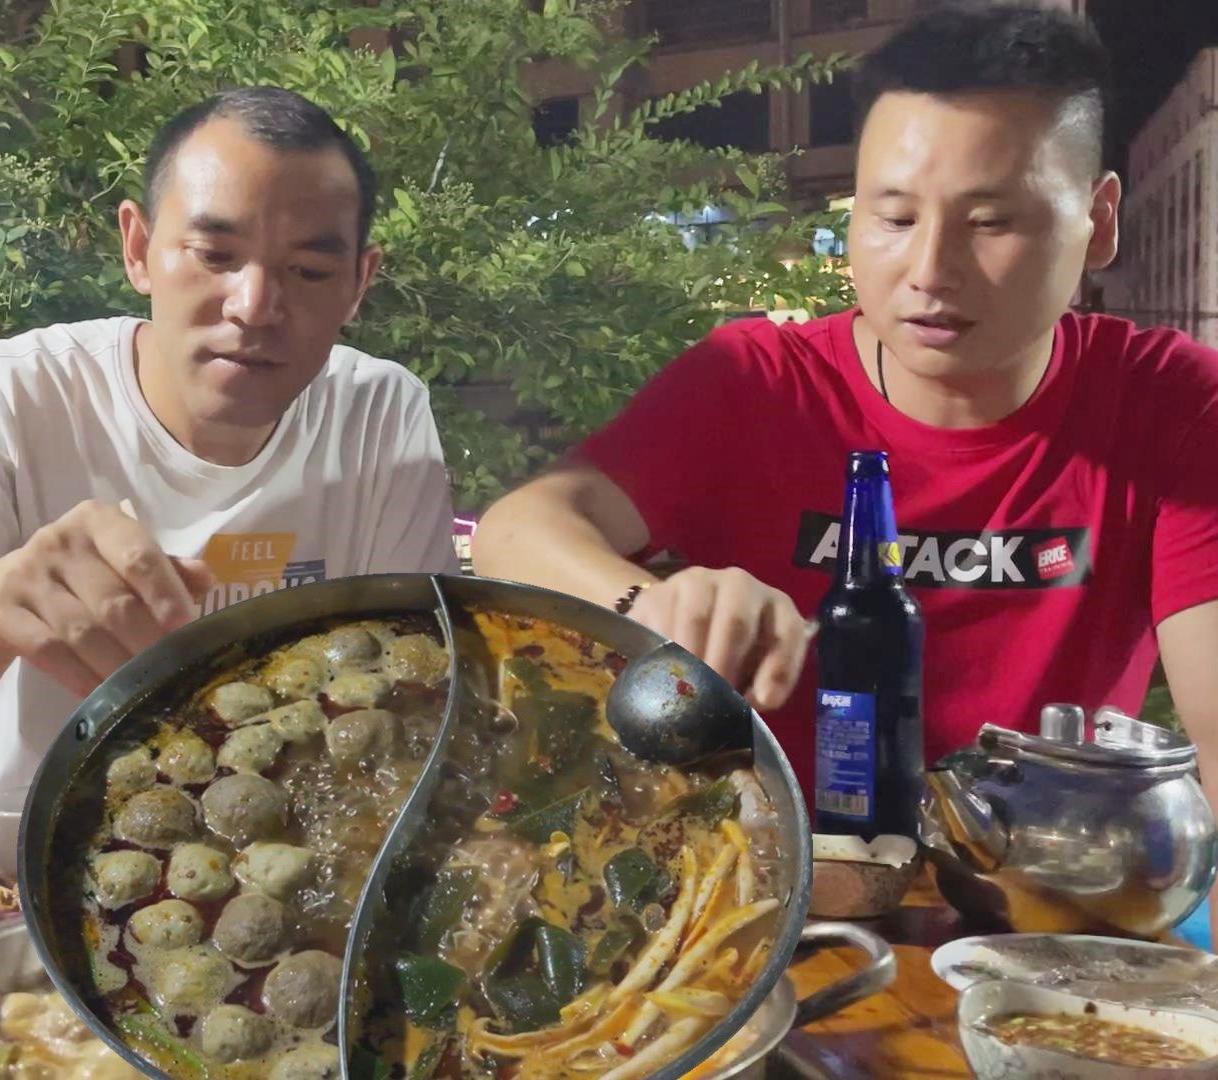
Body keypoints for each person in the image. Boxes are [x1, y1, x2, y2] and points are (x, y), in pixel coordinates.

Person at [473, 4, 1218, 930]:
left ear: (1098, 221)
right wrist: (659, 609)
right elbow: (517, 532)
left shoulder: (1169, 404)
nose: (930, 270)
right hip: (758, 900)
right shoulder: (757, 383)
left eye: (990, 221)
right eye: (894, 216)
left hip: (1035, 913)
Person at [0, 87, 460, 863]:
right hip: (17, 870)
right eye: (215, 256)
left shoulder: (380, 416)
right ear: (138, 248)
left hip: (291, 878)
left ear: (360, 282)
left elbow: (423, 698)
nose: (255, 305)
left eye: (306, 270)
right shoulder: (14, 393)